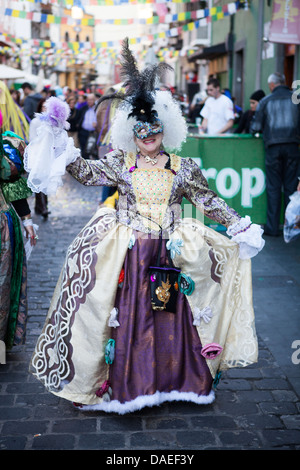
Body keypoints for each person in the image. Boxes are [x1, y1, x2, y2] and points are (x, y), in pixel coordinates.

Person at [27, 39, 264, 414]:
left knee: (171, 316)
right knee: (131, 317)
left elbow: (209, 201)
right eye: (140, 130)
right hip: (132, 255)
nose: (148, 135)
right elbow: (87, 173)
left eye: (153, 129)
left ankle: (176, 382)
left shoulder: (183, 167)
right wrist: (63, 144)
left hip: (168, 253)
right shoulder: (121, 162)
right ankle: (130, 385)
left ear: (164, 128)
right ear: (131, 132)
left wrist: (239, 225)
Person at [0, 110, 37, 350]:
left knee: (2, 285)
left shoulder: (8, 146)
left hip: (3, 227)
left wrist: (27, 220)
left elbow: (13, 185)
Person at [250, 72, 300, 236]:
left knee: (273, 188)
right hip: (293, 145)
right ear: (284, 82)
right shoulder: (295, 98)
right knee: (291, 187)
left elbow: (255, 127)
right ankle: (290, 225)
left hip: (272, 147)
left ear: (271, 85)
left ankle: (272, 228)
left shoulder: (265, 101)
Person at [28, 98, 50, 219]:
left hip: (47, 154)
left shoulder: (51, 121)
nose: (46, 109)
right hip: (37, 154)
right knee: (39, 180)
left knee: (45, 180)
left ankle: (40, 206)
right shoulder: (36, 121)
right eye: (44, 107)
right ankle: (43, 207)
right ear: (40, 108)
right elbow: (32, 138)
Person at [77, 93, 98, 159]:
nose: (90, 101)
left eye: (91, 100)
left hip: (93, 133)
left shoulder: (97, 108)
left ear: (94, 100)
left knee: (92, 151)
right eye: (88, 100)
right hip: (83, 132)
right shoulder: (83, 108)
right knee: (83, 151)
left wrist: (97, 124)